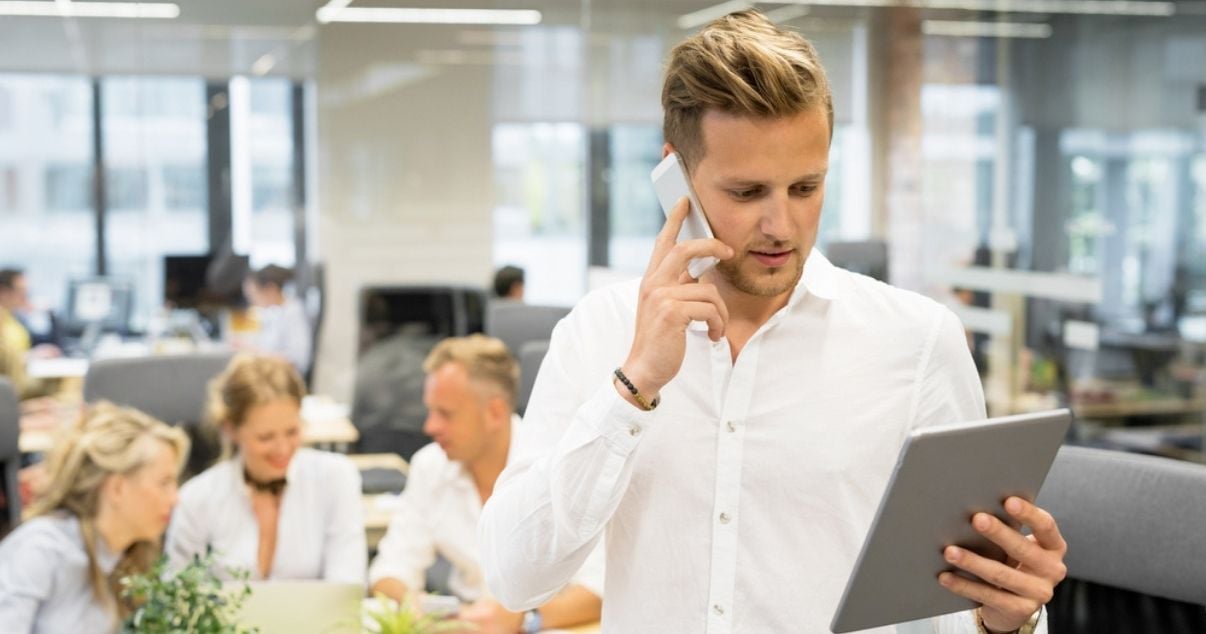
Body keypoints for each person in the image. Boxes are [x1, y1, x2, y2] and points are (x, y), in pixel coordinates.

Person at [479, 10, 1065, 634]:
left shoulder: (918, 343)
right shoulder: (599, 332)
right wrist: (635, 386)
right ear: (674, 173)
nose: (782, 227)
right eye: (747, 193)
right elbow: (516, 579)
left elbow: (943, 599)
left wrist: (1006, 620)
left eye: (806, 187)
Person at [369, 335, 602, 634]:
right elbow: (390, 568)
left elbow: (599, 588)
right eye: (430, 410)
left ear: (494, 412)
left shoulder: (561, 467)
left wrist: (524, 619)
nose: (430, 427)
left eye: (446, 414)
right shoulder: (431, 466)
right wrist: (412, 602)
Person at [166, 354, 365, 584]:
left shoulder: (336, 478)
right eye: (265, 437)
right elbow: (177, 593)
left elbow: (347, 585)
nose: (282, 449)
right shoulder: (198, 498)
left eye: (292, 431)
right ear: (231, 430)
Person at [0, 402, 189, 633]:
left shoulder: (130, 561)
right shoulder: (40, 551)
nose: (175, 499)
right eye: (164, 483)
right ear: (117, 488)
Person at [242, 265, 312, 375]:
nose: (252, 301)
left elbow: (297, 360)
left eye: (254, 294)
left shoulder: (293, 312)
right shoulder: (274, 313)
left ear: (271, 289)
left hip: (283, 380)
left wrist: (255, 352)